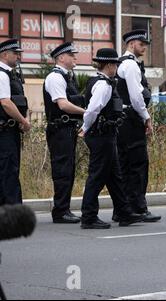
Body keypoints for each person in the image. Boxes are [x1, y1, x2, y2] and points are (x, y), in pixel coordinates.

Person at [78, 48, 144, 229]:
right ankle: (89, 217)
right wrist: (85, 127)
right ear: (108, 65)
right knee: (97, 176)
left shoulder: (103, 82)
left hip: (106, 135)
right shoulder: (103, 85)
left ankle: (124, 213)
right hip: (101, 136)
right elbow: (92, 110)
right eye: (115, 64)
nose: (117, 67)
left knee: (115, 176)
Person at [115, 29, 161, 223]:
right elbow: (136, 96)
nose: (144, 48)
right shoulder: (131, 65)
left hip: (121, 119)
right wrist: (146, 117)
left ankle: (123, 209)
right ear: (132, 43)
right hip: (132, 118)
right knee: (138, 164)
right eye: (141, 44)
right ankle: (139, 208)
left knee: (125, 165)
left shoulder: (120, 63)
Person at [43, 42, 86, 224]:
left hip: (68, 129)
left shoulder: (68, 77)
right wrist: (87, 113)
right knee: (62, 170)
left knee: (68, 170)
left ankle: (64, 209)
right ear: (61, 57)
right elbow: (63, 105)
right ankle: (60, 211)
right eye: (71, 55)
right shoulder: (55, 77)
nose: (75, 57)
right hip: (60, 130)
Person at [0, 39, 30, 206]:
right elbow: (5, 102)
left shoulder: (11, 74)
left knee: (8, 172)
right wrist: (23, 121)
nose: (18, 56)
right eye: (15, 53)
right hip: (4, 132)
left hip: (9, 131)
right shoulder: (2, 74)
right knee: (8, 173)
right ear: (4, 54)